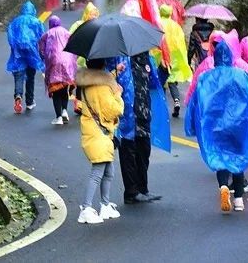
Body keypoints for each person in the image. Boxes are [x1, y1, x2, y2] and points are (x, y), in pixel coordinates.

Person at [185, 39, 248, 213]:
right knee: (238, 159)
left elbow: (195, 104)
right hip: (240, 125)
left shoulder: (205, 78)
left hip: (215, 126)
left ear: (215, 58)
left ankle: (223, 186)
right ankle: (238, 199)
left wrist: (191, 126)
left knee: (220, 157)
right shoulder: (242, 75)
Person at [75, 58, 125, 224]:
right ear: (103, 64)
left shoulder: (88, 80)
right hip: (99, 133)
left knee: (108, 171)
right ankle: (86, 207)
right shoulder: (103, 86)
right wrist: (118, 94)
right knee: (98, 172)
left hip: (93, 130)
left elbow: (102, 82)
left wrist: (114, 73)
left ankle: (104, 204)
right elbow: (113, 110)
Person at [111, 51, 163, 204]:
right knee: (129, 152)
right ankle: (131, 192)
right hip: (127, 115)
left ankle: (143, 189)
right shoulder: (118, 58)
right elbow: (109, 81)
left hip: (143, 112)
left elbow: (154, 83)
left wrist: (162, 70)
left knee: (144, 150)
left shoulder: (147, 58)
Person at [6, 1, 46, 114]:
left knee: (18, 74)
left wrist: (15, 47)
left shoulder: (15, 22)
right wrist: (42, 54)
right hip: (32, 53)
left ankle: (18, 95)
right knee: (30, 76)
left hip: (18, 53)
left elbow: (10, 36)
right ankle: (29, 102)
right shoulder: (36, 22)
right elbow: (42, 37)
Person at [40, 15, 77, 125]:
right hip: (66, 63)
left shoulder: (47, 34)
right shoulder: (66, 32)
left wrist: (45, 59)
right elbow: (72, 45)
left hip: (54, 63)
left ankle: (58, 117)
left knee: (56, 90)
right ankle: (65, 111)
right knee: (64, 88)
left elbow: (42, 49)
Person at [158, 3, 191, 117]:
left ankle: (161, 105)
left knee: (160, 81)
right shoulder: (175, 26)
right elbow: (180, 43)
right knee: (172, 81)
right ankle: (176, 100)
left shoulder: (157, 24)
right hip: (173, 56)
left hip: (160, 56)